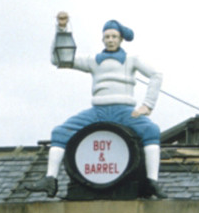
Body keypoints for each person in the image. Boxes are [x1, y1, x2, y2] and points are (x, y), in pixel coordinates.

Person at [30, 13, 165, 198]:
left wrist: (147, 106)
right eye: (107, 37)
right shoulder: (94, 60)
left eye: (114, 37)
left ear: (121, 39)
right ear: (102, 39)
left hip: (124, 111)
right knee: (60, 132)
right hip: (98, 111)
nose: (110, 40)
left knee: (151, 131)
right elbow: (58, 60)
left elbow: (156, 74)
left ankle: (152, 182)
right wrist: (61, 30)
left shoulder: (132, 59)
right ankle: (50, 179)